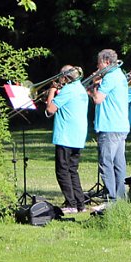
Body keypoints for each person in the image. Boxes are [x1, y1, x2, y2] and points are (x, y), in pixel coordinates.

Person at [45, 65, 89, 214]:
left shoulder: (68, 90)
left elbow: (50, 109)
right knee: (72, 170)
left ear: (65, 77)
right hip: (77, 136)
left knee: (62, 171)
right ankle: (80, 204)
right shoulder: (80, 89)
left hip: (66, 136)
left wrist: (51, 91)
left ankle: (71, 203)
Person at [88, 49, 129, 205]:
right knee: (119, 164)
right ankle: (120, 197)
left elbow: (98, 99)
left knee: (106, 163)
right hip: (120, 125)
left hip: (109, 126)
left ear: (105, 62)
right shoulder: (119, 75)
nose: (97, 67)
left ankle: (111, 198)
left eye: (99, 64)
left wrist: (92, 88)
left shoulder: (110, 77)